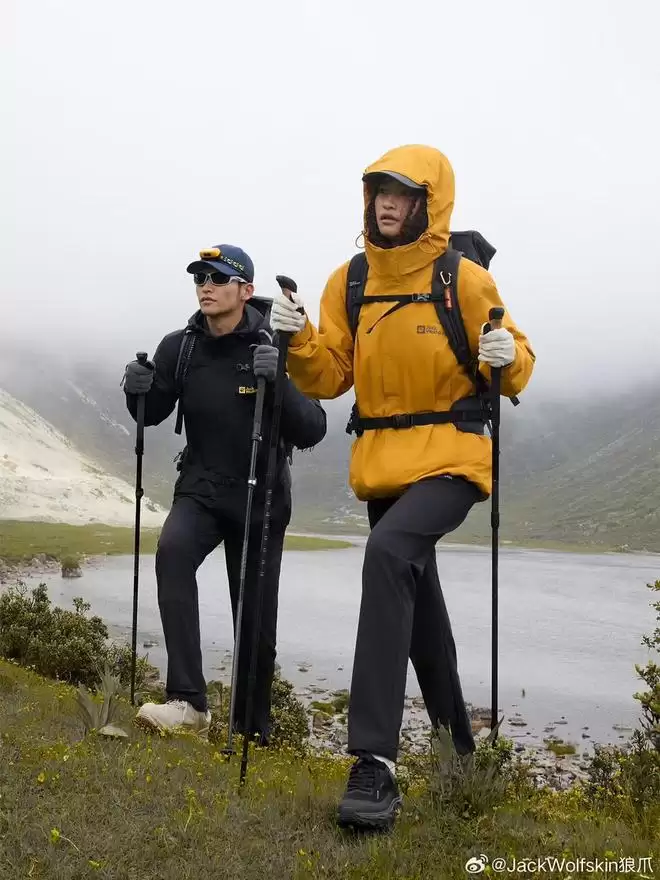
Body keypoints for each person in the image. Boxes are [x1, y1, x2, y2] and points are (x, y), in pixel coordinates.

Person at [270, 145, 535, 830]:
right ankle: (460, 759)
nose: (387, 204)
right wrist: (299, 341)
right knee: (421, 617)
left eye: (403, 194)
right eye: (379, 192)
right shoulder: (350, 280)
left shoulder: (462, 278)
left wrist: (507, 355)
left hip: (454, 459)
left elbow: (514, 356)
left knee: (388, 554)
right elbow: (332, 375)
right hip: (384, 466)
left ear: (429, 202)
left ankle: (374, 764)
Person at [122, 243, 327, 741]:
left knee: (253, 617)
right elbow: (152, 414)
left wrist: (278, 381)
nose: (206, 287)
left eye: (217, 278)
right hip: (201, 487)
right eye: (200, 278)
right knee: (172, 553)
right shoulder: (181, 347)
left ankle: (251, 728)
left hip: (263, 498)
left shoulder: (277, 340)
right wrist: (137, 388)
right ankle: (188, 703)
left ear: (246, 290)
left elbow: (313, 427)